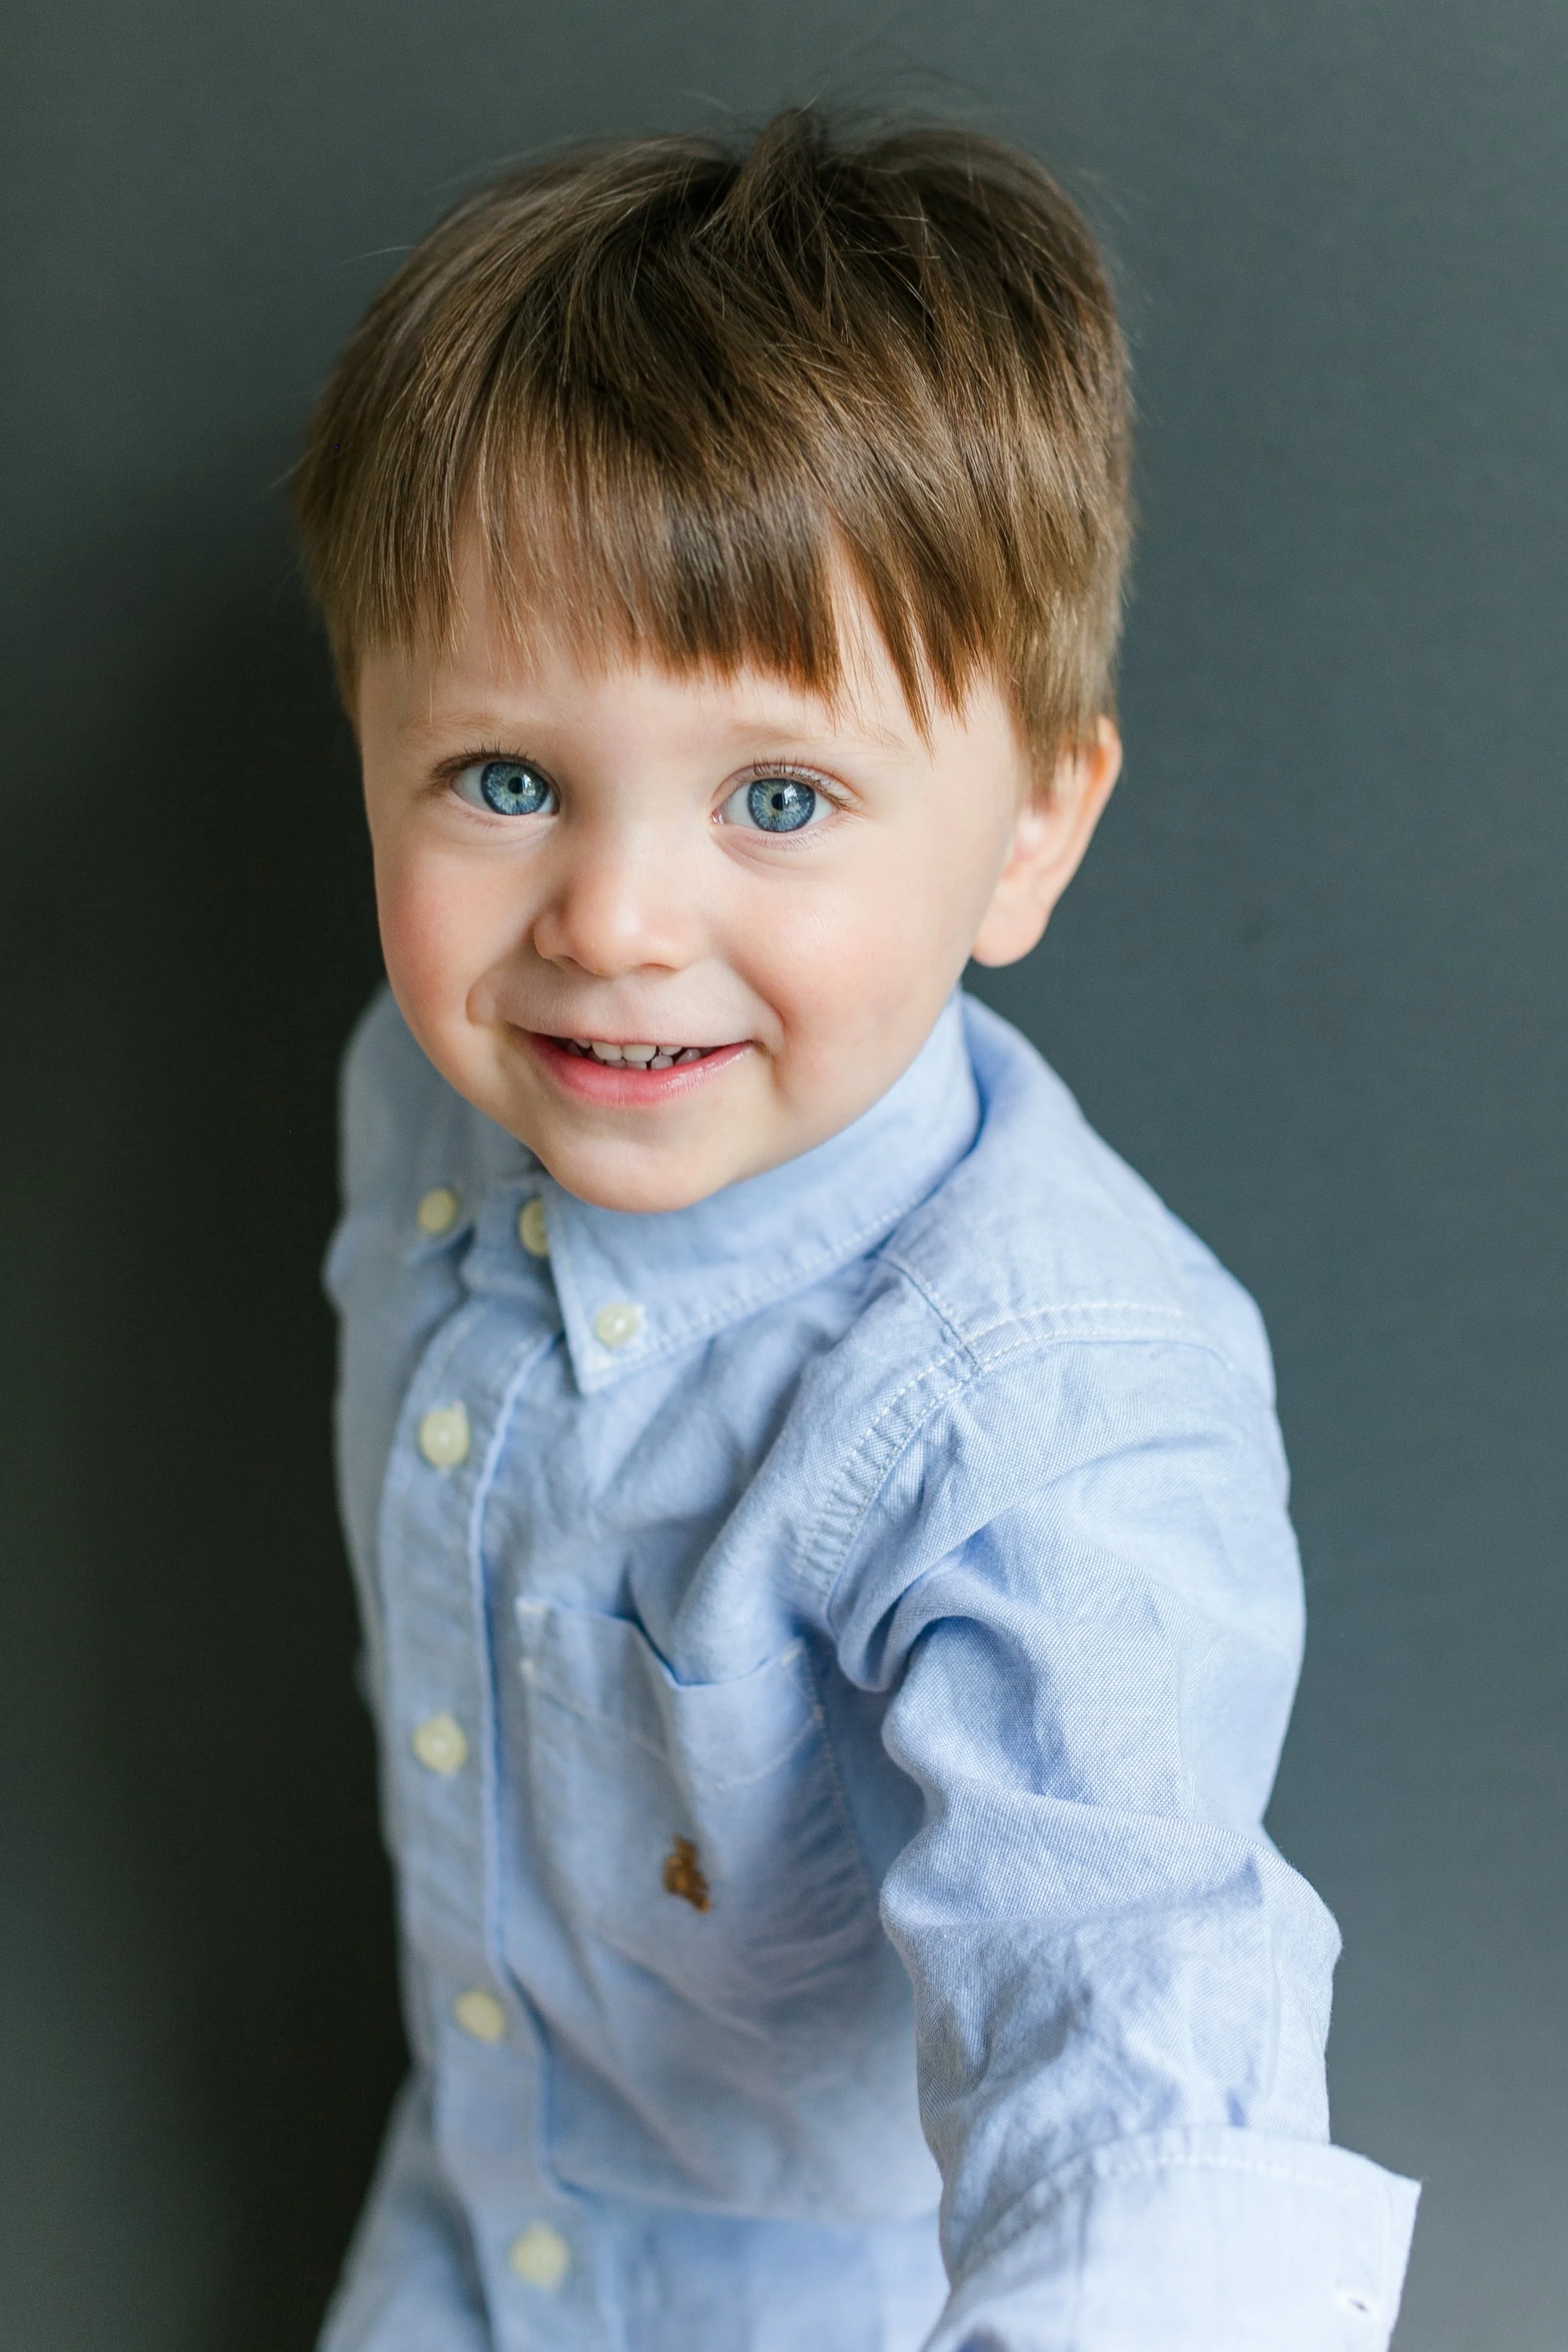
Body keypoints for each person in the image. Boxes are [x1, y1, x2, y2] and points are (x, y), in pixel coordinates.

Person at [293, 108, 1418, 2352]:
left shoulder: (1045, 1412)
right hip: (466, 2215)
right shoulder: (422, 1088)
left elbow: (1131, 2000)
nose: (610, 923)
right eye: (503, 779)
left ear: (1025, 837)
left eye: (778, 798)